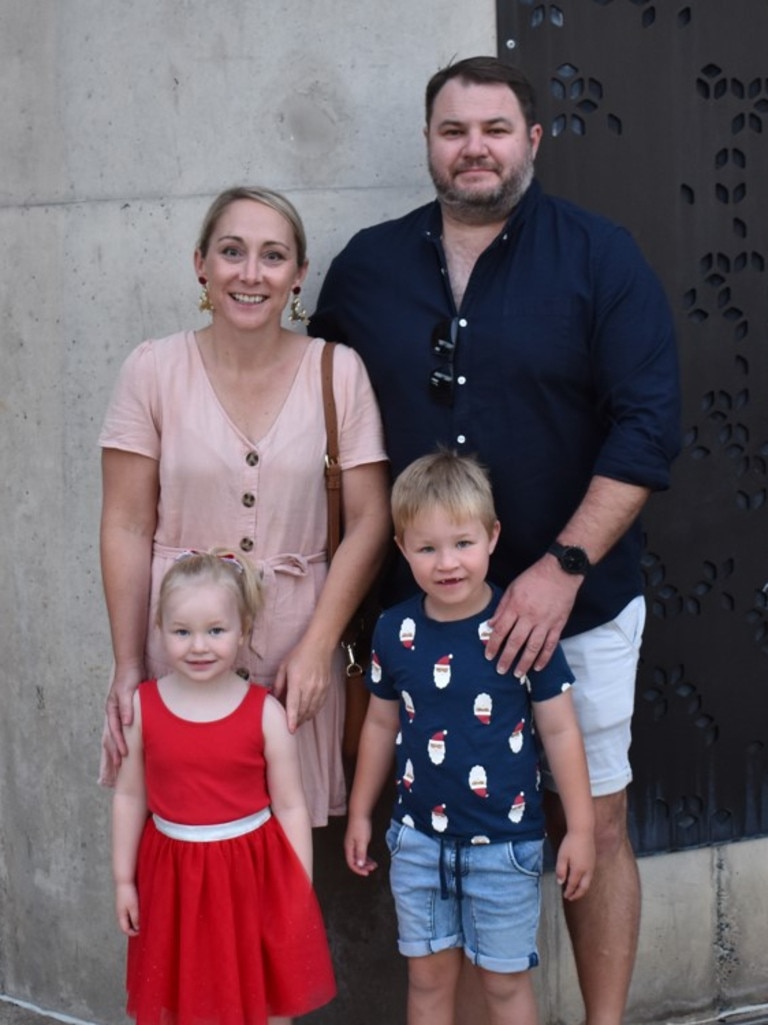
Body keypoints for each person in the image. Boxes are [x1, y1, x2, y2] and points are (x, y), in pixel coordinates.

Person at [311, 56, 680, 1024]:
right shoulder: (366, 267)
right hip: (419, 616)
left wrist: (560, 568)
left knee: (593, 814)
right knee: (449, 832)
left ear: (532, 140)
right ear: (430, 143)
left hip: (580, 602)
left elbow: (647, 427)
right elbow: (321, 419)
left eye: (495, 128)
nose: (474, 147)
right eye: (453, 130)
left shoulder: (603, 257)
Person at [99, 185, 390, 827]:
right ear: (201, 263)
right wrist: (126, 665)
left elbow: (371, 519)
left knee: (282, 864)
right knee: (183, 846)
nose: (251, 274)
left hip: (295, 655)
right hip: (180, 652)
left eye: (272, 256)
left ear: (299, 274)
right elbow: (125, 524)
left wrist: (319, 645)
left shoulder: (338, 373)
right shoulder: (152, 370)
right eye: (232, 252)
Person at [344, 451, 595, 1025]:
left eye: (462, 543)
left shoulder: (520, 624)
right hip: (418, 846)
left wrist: (579, 828)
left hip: (505, 848)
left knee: (505, 989)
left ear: (492, 536)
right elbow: (382, 724)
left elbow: (559, 728)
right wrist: (361, 813)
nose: (446, 562)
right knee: (427, 985)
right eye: (426, 547)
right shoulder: (394, 629)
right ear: (402, 548)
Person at [113, 548, 336, 1025]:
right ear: (160, 630)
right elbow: (130, 796)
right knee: (176, 1000)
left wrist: (296, 890)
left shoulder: (266, 714)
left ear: (243, 631)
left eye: (215, 630)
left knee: (263, 998)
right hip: (171, 879)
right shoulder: (143, 708)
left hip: (249, 877)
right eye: (182, 631)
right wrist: (123, 880)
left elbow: (292, 807)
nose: (199, 645)